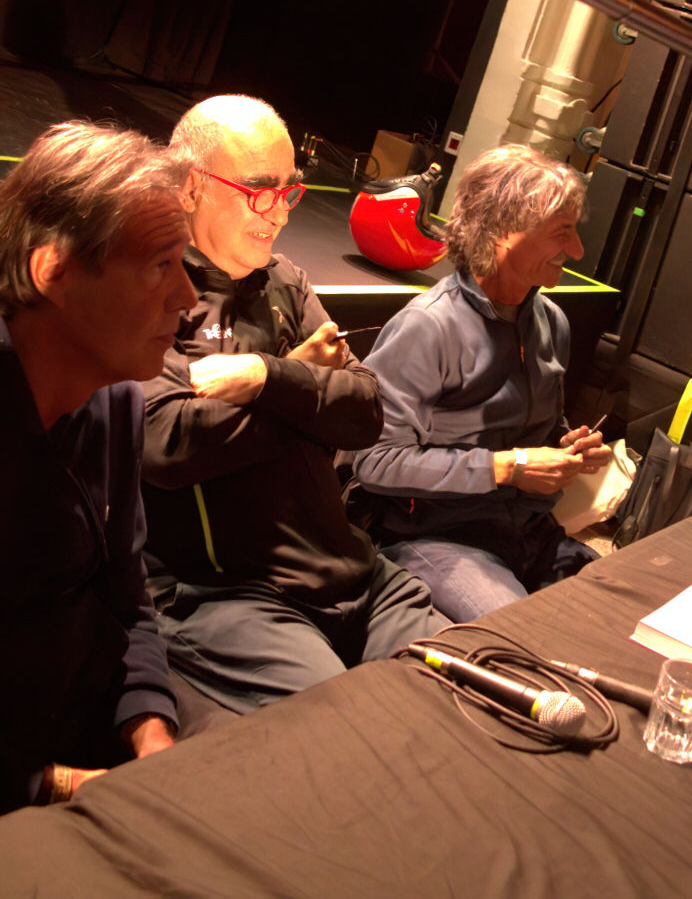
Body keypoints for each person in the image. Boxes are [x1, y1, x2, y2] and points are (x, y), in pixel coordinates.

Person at [140, 95, 443, 715]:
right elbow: (170, 442)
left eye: (288, 191)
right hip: (230, 594)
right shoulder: (152, 290)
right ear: (191, 187)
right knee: (350, 729)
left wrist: (266, 376)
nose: (278, 212)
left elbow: (366, 410)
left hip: (357, 572)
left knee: (468, 692)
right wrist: (307, 390)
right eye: (258, 191)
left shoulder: (286, 281)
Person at [0, 122, 191, 812]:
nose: (188, 298)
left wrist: (151, 727)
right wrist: (58, 785)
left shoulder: (117, 399)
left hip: (84, 724)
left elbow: (126, 593)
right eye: (161, 266)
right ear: (52, 270)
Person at [347, 144, 611, 622]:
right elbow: (373, 461)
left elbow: (539, 428)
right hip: (436, 537)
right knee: (522, 638)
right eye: (562, 233)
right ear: (504, 231)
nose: (577, 251)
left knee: (617, 617)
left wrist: (568, 447)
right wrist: (506, 467)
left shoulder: (551, 321)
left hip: (528, 528)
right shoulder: (429, 326)